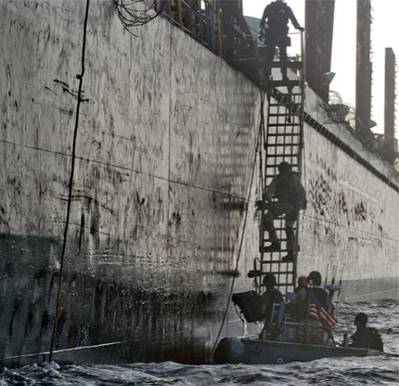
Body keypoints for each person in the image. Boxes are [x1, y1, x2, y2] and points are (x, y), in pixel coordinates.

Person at [256, 161, 307, 262]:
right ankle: (288, 251)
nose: (284, 173)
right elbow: (270, 192)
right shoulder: (285, 178)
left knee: (272, 221)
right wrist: (268, 199)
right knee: (286, 228)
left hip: (290, 206)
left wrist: (267, 201)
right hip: (288, 206)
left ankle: (278, 245)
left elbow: (301, 193)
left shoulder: (290, 179)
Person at [259, 0, 304, 80]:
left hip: (278, 35)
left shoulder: (281, 8)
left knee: (279, 55)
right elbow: (262, 21)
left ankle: (280, 74)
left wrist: (298, 27)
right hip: (274, 35)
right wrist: (261, 31)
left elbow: (293, 20)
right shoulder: (274, 8)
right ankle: (271, 74)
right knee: (274, 55)